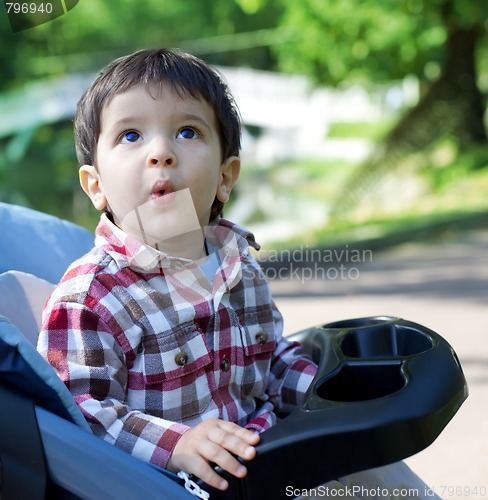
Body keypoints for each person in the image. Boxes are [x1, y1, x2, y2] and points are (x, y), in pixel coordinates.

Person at [38, 48, 437, 498]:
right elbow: (77, 413)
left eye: (187, 131)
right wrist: (179, 444)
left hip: (272, 453)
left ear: (226, 177)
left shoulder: (237, 264)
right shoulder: (91, 296)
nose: (161, 153)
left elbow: (267, 363)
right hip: (178, 484)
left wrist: (328, 393)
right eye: (131, 136)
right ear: (96, 186)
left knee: (385, 473)